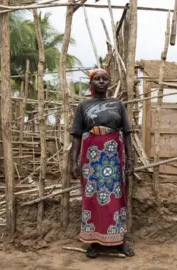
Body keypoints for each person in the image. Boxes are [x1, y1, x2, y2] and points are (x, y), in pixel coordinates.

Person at [70, 68, 135, 258]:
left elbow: (128, 133)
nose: (100, 81)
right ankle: (94, 241)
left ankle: (120, 240)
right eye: (96, 79)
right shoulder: (83, 106)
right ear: (90, 83)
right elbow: (76, 136)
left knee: (115, 197)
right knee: (93, 198)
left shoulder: (117, 104)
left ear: (109, 83)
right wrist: (74, 162)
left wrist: (130, 159)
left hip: (113, 157)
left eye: (104, 78)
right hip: (91, 158)